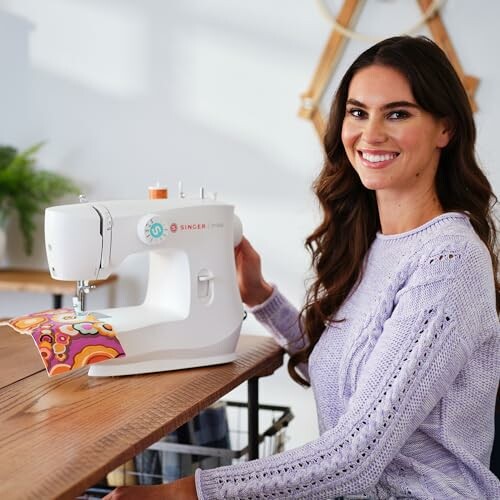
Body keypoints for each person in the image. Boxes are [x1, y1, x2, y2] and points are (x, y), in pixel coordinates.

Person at [104, 35, 500, 499]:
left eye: (397, 113)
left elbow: (353, 457)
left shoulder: (448, 261)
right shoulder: (376, 244)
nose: (370, 134)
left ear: (445, 130)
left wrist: (181, 494)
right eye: (358, 112)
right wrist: (260, 296)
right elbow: (353, 374)